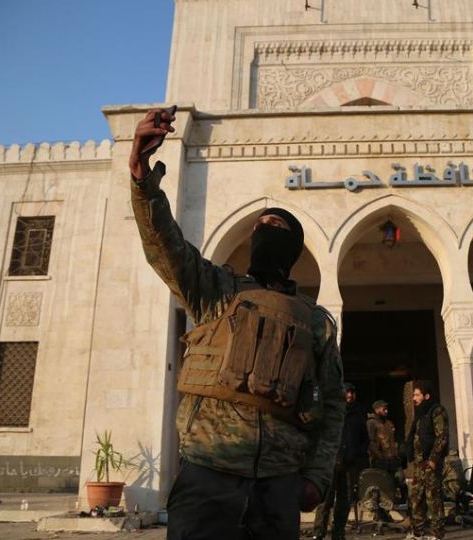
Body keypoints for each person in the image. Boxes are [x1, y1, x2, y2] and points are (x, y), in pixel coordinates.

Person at [128, 108, 345, 540]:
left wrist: (316, 478)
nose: (267, 228)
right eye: (261, 226)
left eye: (278, 226)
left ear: (292, 246)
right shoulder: (218, 291)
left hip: (279, 482)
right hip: (209, 472)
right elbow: (164, 246)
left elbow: (334, 406)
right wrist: (141, 177)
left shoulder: (315, 321)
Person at [313, 383, 369, 540]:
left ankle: (338, 533)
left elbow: (364, 439)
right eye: (347, 392)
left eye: (352, 392)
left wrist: (357, 455)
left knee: (344, 502)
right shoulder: (332, 411)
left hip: (349, 465)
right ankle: (319, 532)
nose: (350, 395)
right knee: (325, 501)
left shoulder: (358, 414)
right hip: (330, 463)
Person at [405, 380, 449, 540]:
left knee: (433, 500)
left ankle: (438, 535)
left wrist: (433, 459)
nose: (414, 398)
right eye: (414, 395)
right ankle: (418, 533)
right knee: (416, 499)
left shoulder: (436, 411)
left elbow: (442, 436)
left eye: (417, 395)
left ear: (426, 396)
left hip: (430, 464)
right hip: (419, 464)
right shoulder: (420, 414)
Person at [366, 400, 405, 495]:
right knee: (381, 486)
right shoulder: (371, 423)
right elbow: (371, 442)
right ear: (377, 409)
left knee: (395, 482)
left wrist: (396, 454)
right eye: (384, 409)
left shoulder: (388, 423)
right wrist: (379, 456)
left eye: (386, 409)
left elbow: (392, 440)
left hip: (391, 460)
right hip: (379, 461)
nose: (386, 411)